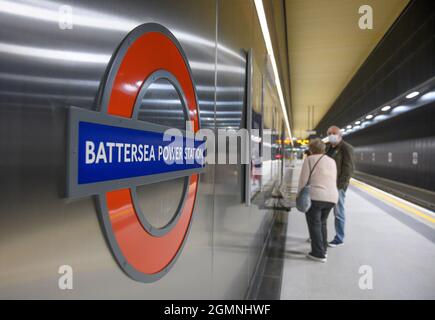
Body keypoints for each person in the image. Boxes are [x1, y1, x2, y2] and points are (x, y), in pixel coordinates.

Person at [298, 138, 338, 262]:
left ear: (311, 149)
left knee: (315, 224)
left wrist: (299, 194)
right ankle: (323, 250)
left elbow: (303, 180)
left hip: (316, 196)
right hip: (332, 197)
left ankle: (318, 253)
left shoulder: (309, 160)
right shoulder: (332, 161)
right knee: (322, 223)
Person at [325, 126, 354, 247]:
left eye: (334, 133)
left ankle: (339, 238)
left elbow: (348, 169)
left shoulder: (346, 148)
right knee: (323, 211)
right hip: (326, 184)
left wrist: (340, 186)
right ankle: (319, 235)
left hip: (338, 186)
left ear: (340, 135)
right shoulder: (327, 147)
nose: (332, 135)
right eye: (329, 133)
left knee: (338, 212)